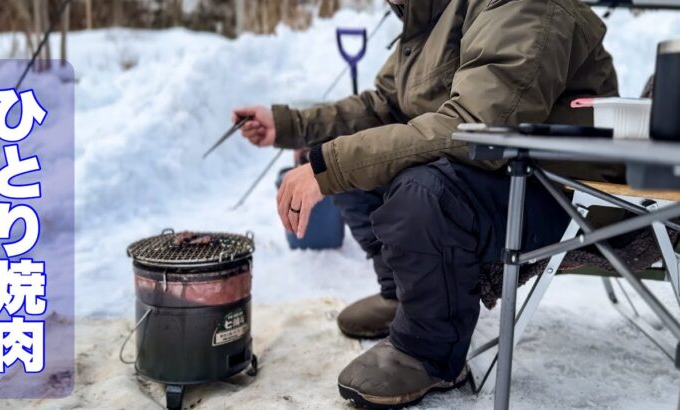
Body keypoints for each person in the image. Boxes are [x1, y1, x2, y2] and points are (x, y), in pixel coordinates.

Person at [233, 0, 621, 407]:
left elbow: (477, 127)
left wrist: (331, 165)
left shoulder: (523, 5)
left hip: (555, 192)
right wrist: (292, 126)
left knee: (420, 190)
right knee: (350, 164)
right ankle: (403, 294)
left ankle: (428, 351)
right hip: (497, 173)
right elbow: (381, 107)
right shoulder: (432, 12)